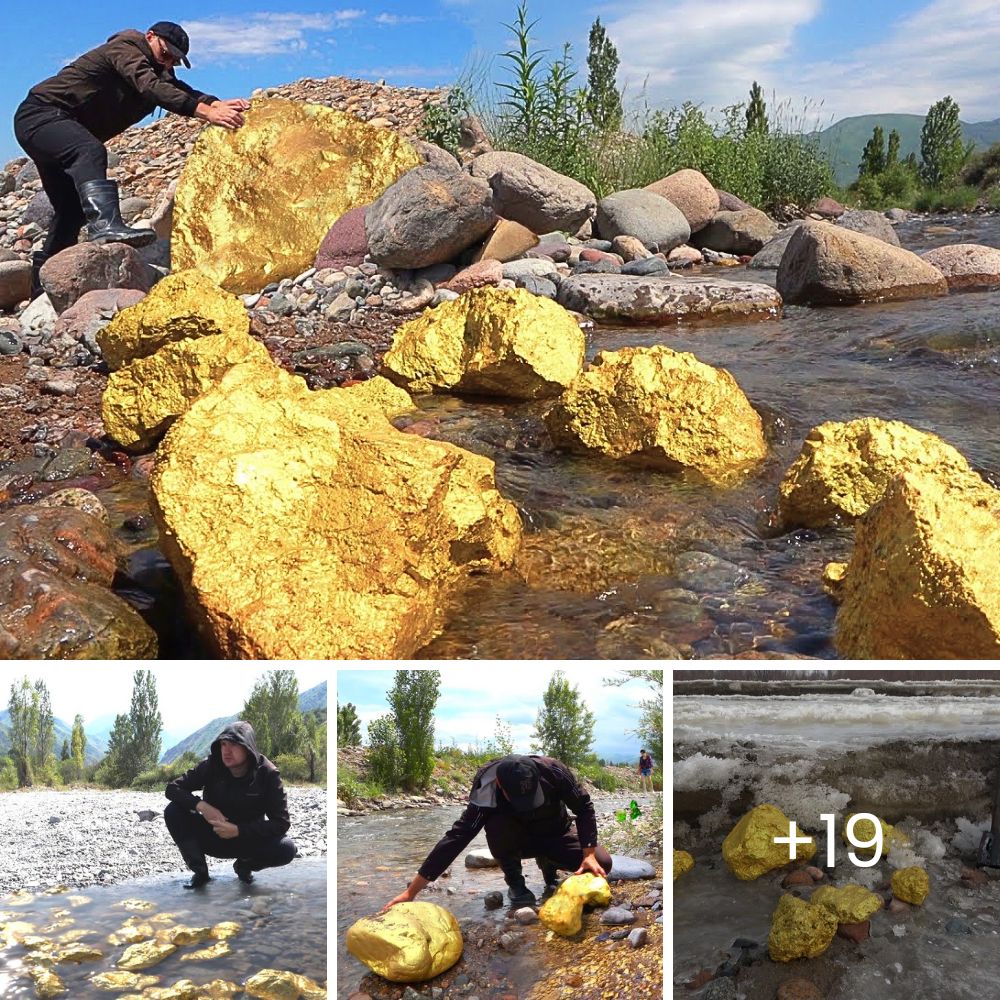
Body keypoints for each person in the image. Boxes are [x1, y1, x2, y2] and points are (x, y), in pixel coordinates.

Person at [13, 21, 250, 298]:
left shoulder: (157, 69)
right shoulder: (125, 48)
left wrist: (215, 103)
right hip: (41, 116)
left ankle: (42, 288)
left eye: (175, 59)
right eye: (166, 53)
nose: (169, 61)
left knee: (71, 211)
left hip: (58, 127)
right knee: (89, 151)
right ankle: (105, 227)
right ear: (150, 37)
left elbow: (178, 88)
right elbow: (149, 86)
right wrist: (204, 112)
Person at [383, 754, 613, 910]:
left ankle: (549, 864)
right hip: (516, 840)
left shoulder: (553, 770)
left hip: (554, 831)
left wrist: (588, 854)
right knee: (496, 825)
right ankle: (516, 884)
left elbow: (584, 807)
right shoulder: (486, 788)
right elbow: (458, 837)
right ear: (500, 785)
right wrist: (412, 892)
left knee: (603, 863)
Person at [164, 720, 297, 889]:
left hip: (247, 841)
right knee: (173, 811)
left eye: (234, 745)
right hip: (212, 836)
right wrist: (202, 806)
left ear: (248, 748)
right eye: (223, 744)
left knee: (286, 849)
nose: (226, 751)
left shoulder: (268, 774)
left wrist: (239, 830)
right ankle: (200, 873)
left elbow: (281, 823)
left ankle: (244, 866)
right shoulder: (212, 765)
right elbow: (173, 789)